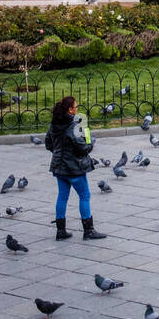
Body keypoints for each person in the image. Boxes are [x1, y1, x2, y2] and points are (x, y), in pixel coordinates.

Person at [45, 95, 106, 240]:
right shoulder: (74, 126)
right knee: (84, 196)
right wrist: (90, 139)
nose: (77, 109)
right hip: (74, 169)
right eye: (76, 107)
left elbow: (48, 144)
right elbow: (82, 148)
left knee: (62, 197)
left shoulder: (54, 124)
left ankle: (60, 231)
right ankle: (88, 230)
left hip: (59, 168)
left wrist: (60, 152)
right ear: (70, 110)